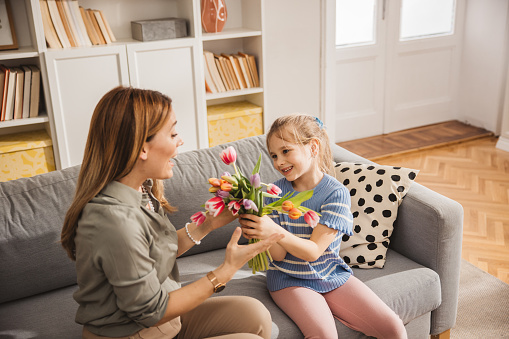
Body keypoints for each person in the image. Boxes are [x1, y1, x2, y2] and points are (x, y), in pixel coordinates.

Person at [60, 86, 283, 339]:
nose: (181, 141)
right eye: (173, 133)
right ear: (142, 148)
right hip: (135, 332)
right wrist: (226, 270)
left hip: (165, 323)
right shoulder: (113, 221)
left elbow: (153, 252)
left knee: (255, 314)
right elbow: (151, 311)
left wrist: (207, 225)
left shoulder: (139, 191)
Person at [239, 114, 407, 339]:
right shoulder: (273, 194)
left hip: (331, 275)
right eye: (274, 155)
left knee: (394, 329)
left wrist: (274, 230)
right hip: (289, 280)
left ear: (313, 147)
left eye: (286, 151)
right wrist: (259, 229)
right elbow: (278, 256)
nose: (279, 162)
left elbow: (314, 251)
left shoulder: (335, 193)